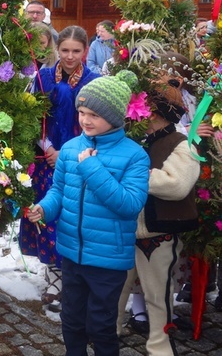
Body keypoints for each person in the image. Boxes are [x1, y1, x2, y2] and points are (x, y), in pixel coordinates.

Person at [28, 74, 150, 356]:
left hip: (107, 259)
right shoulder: (70, 149)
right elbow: (59, 190)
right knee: (71, 320)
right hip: (72, 253)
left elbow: (130, 204)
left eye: (94, 114)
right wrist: (44, 208)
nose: (85, 120)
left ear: (115, 116)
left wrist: (93, 169)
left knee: (101, 325)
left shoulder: (135, 156)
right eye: (82, 112)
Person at [19, 25, 99, 311]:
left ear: (85, 51)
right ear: (57, 49)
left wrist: (66, 152)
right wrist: (49, 148)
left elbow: (97, 125)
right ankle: (54, 274)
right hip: (46, 157)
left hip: (79, 158)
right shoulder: (42, 78)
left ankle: (72, 275)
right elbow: (32, 117)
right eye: (64, 50)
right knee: (47, 215)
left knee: (72, 214)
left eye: (76, 51)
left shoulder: (93, 81)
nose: (69, 56)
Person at [115, 80, 199, 353]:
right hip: (128, 227)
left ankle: (160, 346)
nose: (140, 116)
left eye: (147, 111)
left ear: (159, 114)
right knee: (117, 286)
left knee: (157, 294)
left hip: (157, 233)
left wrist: (137, 177)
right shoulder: (135, 139)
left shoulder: (181, 144)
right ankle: (109, 330)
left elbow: (177, 185)